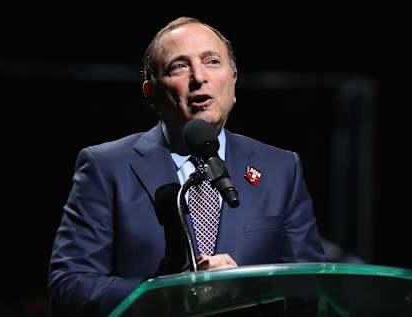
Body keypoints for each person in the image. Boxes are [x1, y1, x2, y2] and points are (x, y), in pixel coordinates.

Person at [48, 16, 326, 317]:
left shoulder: (281, 168)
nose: (198, 77)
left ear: (233, 81)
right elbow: (69, 289)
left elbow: (310, 291)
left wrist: (246, 290)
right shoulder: (106, 167)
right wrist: (170, 295)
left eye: (212, 61)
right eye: (179, 66)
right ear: (150, 93)